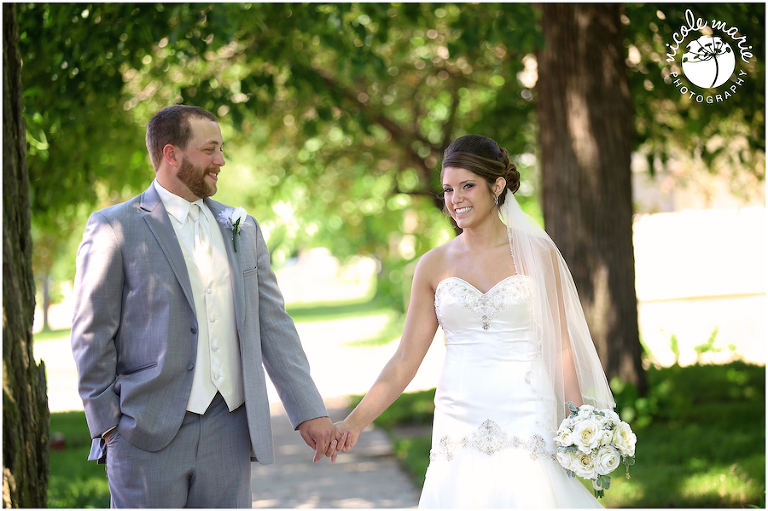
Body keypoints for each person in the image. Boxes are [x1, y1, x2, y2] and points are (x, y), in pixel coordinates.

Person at [71, 105, 339, 508]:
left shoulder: (241, 228)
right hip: (145, 432)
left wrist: (308, 410)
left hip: (228, 430)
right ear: (171, 154)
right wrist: (109, 427)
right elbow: (91, 336)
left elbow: (272, 324)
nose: (221, 161)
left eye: (221, 149)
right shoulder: (115, 228)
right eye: (209, 150)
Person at [334, 135, 616, 508]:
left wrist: (581, 423)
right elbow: (405, 359)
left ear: (496, 186)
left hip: (527, 411)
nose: (455, 199)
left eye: (467, 186)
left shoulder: (538, 254)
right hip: (458, 418)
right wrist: (353, 423)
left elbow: (561, 347)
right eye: (448, 189)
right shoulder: (433, 265)